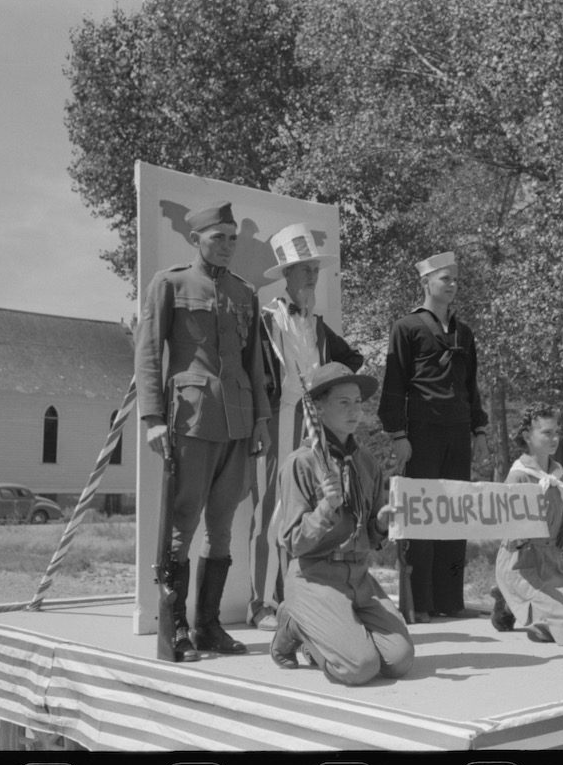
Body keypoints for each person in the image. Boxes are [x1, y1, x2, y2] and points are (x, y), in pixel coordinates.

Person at [134, 202, 272, 662]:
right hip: (191, 419)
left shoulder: (244, 292)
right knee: (182, 522)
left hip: (236, 419)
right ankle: (175, 630)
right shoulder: (170, 284)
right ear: (196, 239)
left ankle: (208, 626)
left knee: (223, 525)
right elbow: (149, 354)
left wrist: (260, 420)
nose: (228, 246)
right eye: (219, 238)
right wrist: (153, 418)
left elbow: (255, 363)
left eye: (233, 238)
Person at [248, 223, 364, 632]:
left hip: (314, 426)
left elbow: (353, 360)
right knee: (270, 511)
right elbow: (253, 370)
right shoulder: (265, 319)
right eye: (303, 270)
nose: (311, 277)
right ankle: (261, 602)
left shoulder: (317, 325)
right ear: (286, 275)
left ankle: (295, 597)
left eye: (315, 269)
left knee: (309, 508)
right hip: (280, 417)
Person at [270, 362, 414, 685]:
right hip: (316, 577)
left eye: (358, 403)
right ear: (318, 408)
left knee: (399, 660)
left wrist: (380, 523)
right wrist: (324, 508)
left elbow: (372, 536)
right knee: (359, 667)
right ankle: (294, 623)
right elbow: (292, 541)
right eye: (343, 403)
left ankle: (337, 632)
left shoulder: (366, 464)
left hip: (359, 578)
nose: (354, 411)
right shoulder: (302, 464)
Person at [378, 251, 488, 622]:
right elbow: (394, 385)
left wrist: (480, 429)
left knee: (454, 515)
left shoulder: (464, 332)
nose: (452, 284)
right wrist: (397, 434)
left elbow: (472, 386)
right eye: (445, 278)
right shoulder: (406, 327)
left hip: (457, 433)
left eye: (456, 278)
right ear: (426, 282)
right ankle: (419, 603)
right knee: (422, 518)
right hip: (421, 434)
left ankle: (449, 599)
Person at [490, 403, 563, 644]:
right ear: (527, 436)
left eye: (557, 432)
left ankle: (511, 603)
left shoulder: (559, 476)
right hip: (521, 563)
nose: (554, 438)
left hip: (551, 561)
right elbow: (504, 522)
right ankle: (512, 603)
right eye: (547, 433)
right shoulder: (519, 475)